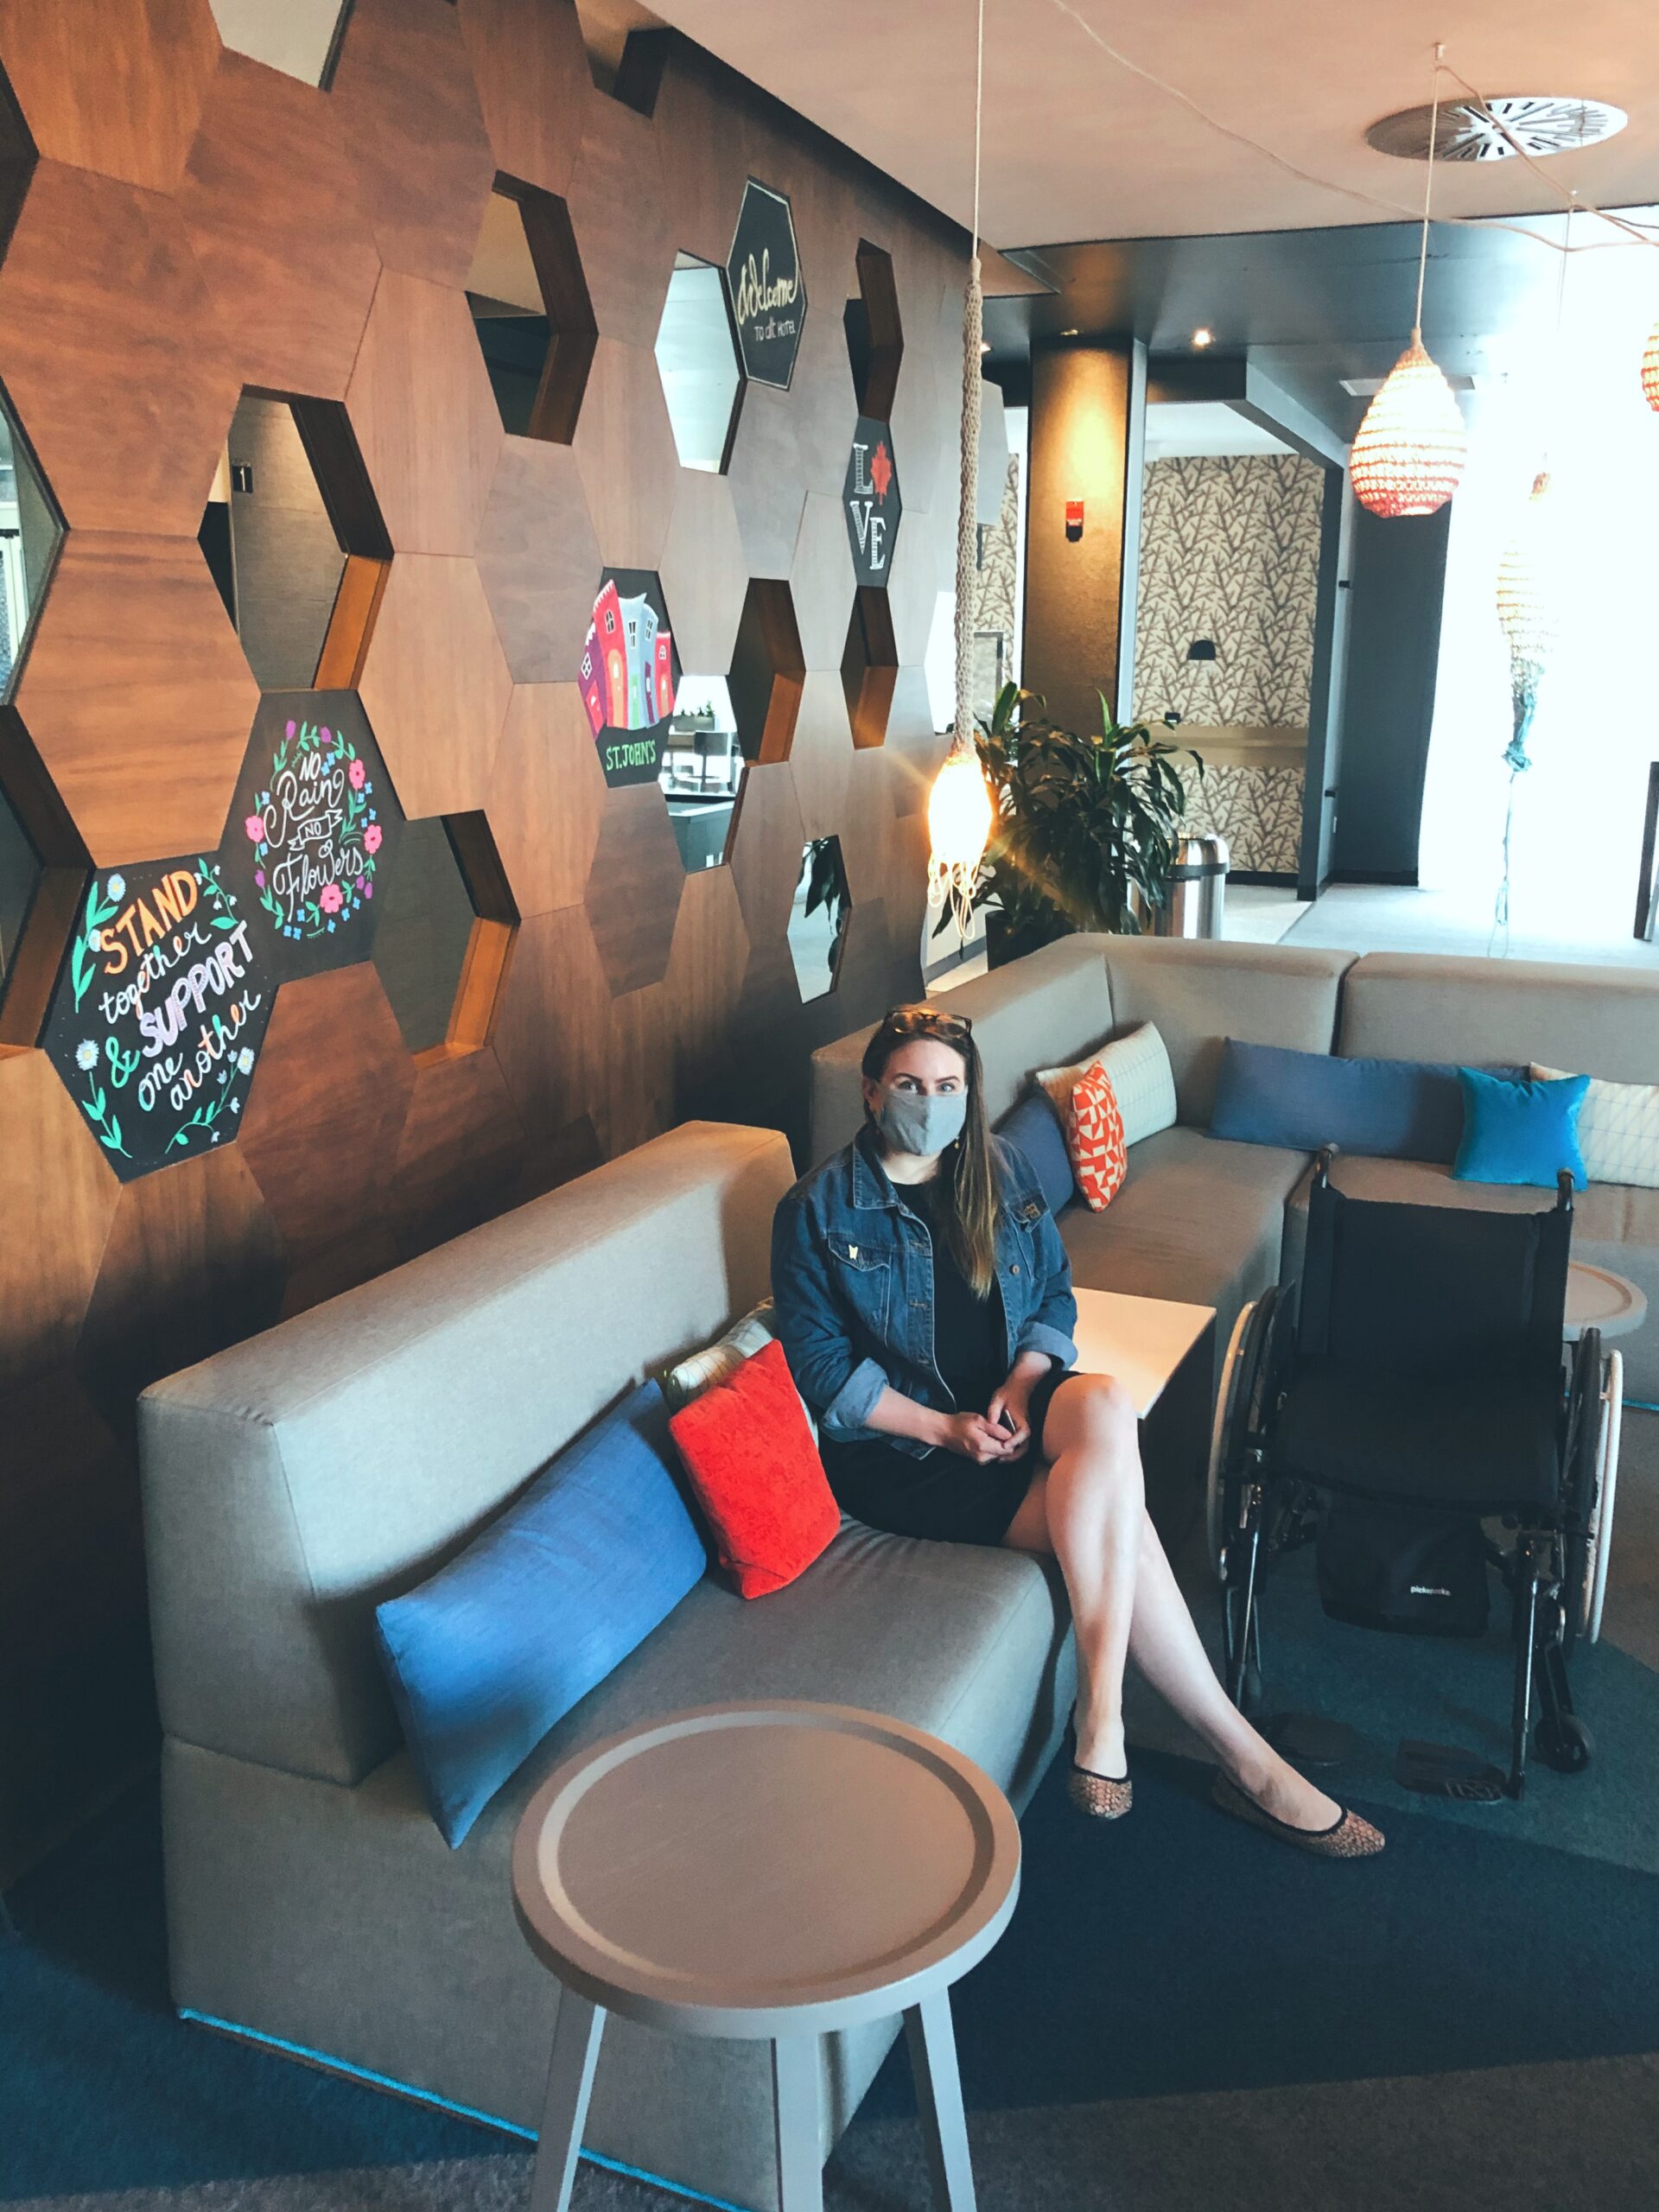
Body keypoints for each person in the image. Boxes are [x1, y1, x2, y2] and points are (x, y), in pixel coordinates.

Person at [771, 1003, 1382, 1859]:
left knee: (1104, 1403)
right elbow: (823, 1372)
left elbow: (1055, 1295)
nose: (929, 1103)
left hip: (1013, 1400)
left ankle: (1103, 1708)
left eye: (948, 1086)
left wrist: (1025, 1383)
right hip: (909, 1452)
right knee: (1118, 1517)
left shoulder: (999, 1166)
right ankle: (1244, 1761)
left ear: (969, 1092)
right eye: (909, 1085)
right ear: (872, 1092)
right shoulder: (816, 1210)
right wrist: (946, 1429)